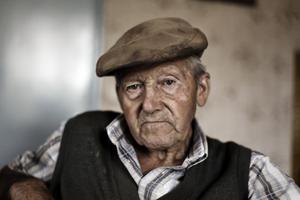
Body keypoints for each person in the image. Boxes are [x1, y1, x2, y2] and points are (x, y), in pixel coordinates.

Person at [0, 17, 299, 200]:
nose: (150, 104)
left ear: (201, 89)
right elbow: (8, 176)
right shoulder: (78, 133)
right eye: (134, 87)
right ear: (119, 95)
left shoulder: (248, 171)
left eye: (168, 82)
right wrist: (23, 187)